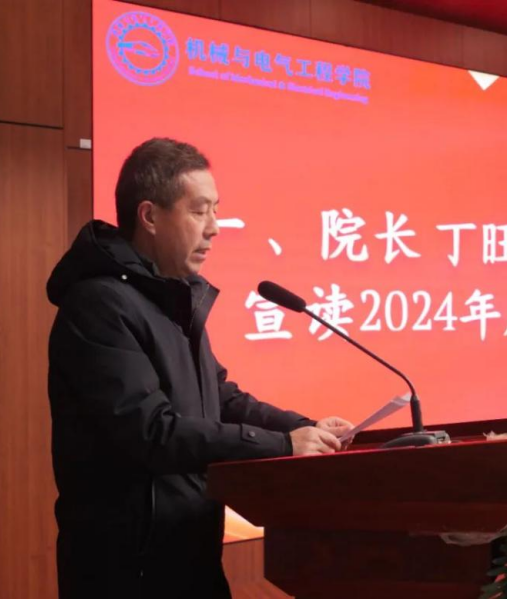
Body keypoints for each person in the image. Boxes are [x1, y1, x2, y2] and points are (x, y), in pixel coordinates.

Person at [46, 137, 352, 598]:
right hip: (127, 570)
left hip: (188, 555)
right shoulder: (100, 305)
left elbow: (220, 397)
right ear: (150, 216)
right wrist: (282, 445)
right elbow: (150, 431)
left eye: (216, 211)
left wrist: (303, 428)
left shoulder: (168, 296)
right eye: (199, 211)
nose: (214, 228)